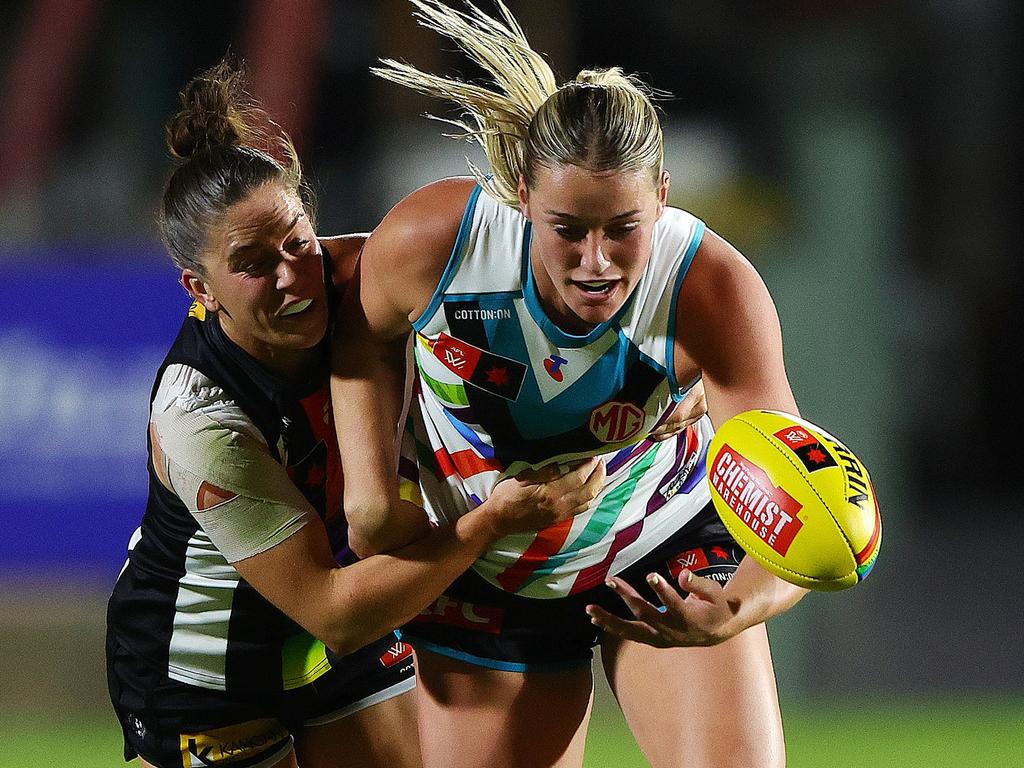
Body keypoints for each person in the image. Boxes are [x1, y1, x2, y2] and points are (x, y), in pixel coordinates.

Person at [329, 2, 810, 767]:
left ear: (662, 194)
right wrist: (370, 492)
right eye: (567, 229)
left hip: (656, 541)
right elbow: (358, 330)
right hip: (485, 566)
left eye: (623, 227)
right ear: (522, 193)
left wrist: (739, 605)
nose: (597, 261)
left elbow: (790, 494)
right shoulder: (436, 245)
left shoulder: (712, 288)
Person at [105, 58, 609, 768]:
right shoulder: (199, 418)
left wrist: (668, 377)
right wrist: (490, 521)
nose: (292, 277)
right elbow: (334, 613)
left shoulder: (371, 281)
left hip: (344, 620)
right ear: (200, 286)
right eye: (253, 264)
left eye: (297, 242)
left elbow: (533, 292)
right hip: (211, 670)